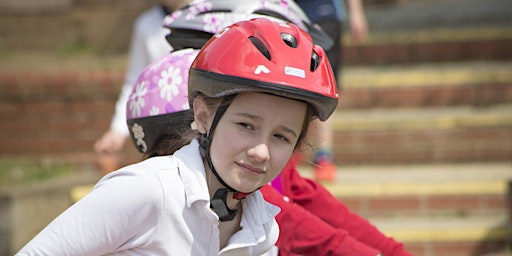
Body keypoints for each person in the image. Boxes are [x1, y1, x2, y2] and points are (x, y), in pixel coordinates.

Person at [16, 18, 339, 255]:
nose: (261, 152)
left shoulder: (262, 227)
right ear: (202, 116)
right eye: (246, 126)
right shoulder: (149, 190)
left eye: (282, 137)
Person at [93, 0, 190, 169]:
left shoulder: (215, 13)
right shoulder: (146, 25)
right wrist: (117, 131)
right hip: (165, 127)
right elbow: (136, 82)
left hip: (205, 116)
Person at [296, 0, 368, 181]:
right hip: (289, 14)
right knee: (293, 83)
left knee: (324, 85)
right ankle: (294, 145)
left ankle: (324, 155)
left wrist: (356, 12)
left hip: (324, 15)